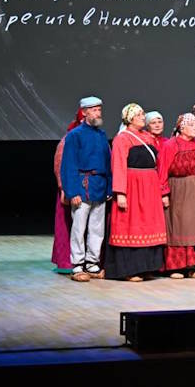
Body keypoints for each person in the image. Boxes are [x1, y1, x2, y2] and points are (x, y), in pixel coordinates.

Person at [105, 103, 167, 281]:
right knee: (132, 225)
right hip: (132, 186)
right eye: (139, 115)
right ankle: (129, 270)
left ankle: (147, 267)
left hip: (150, 187)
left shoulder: (147, 137)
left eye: (143, 114)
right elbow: (118, 165)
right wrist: (120, 192)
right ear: (130, 119)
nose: (143, 117)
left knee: (148, 225)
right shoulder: (123, 138)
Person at [60, 96, 111, 282]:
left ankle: (92, 262)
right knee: (79, 227)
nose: (98, 113)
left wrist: (109, 187)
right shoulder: (75, 135)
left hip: (99, 186)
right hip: (82, 186)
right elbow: (68, 165)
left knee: (97, 228)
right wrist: (72, 192)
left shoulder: (101, 135)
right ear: (85, 112)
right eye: (95, 110)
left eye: (99, 109)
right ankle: (78, 264)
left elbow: (107, 162)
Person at [158, 113, 195, 278]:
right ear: (182, 127)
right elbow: (162, 171)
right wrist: (164, 192)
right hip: (180, 191)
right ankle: (177, 266)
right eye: (192, 125)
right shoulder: (170, 145)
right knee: (180, 226)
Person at [52, 107, 85, 273]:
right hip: (70, 188)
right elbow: (59, 166)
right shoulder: (68, 139)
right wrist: (64, 188)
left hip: (88, 188)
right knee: (69, 226)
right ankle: (68, 261)